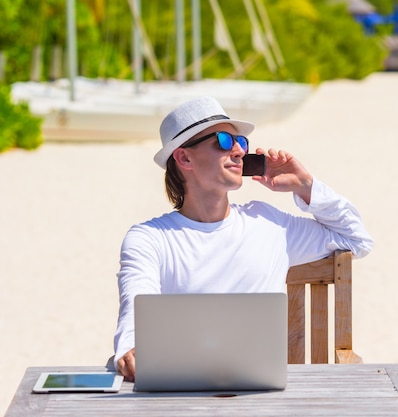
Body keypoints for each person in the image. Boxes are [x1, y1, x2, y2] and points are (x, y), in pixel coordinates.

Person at [113, 96, 373, 381]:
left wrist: (305, 186)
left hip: (262, 397)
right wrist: (130, 351)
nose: (238, 150)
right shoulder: (149, 239)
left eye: (241, 142)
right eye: (223, 140)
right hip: (180, 396)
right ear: (184, 157)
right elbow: (135, 306)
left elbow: (356, 239)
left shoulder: (269, 223)